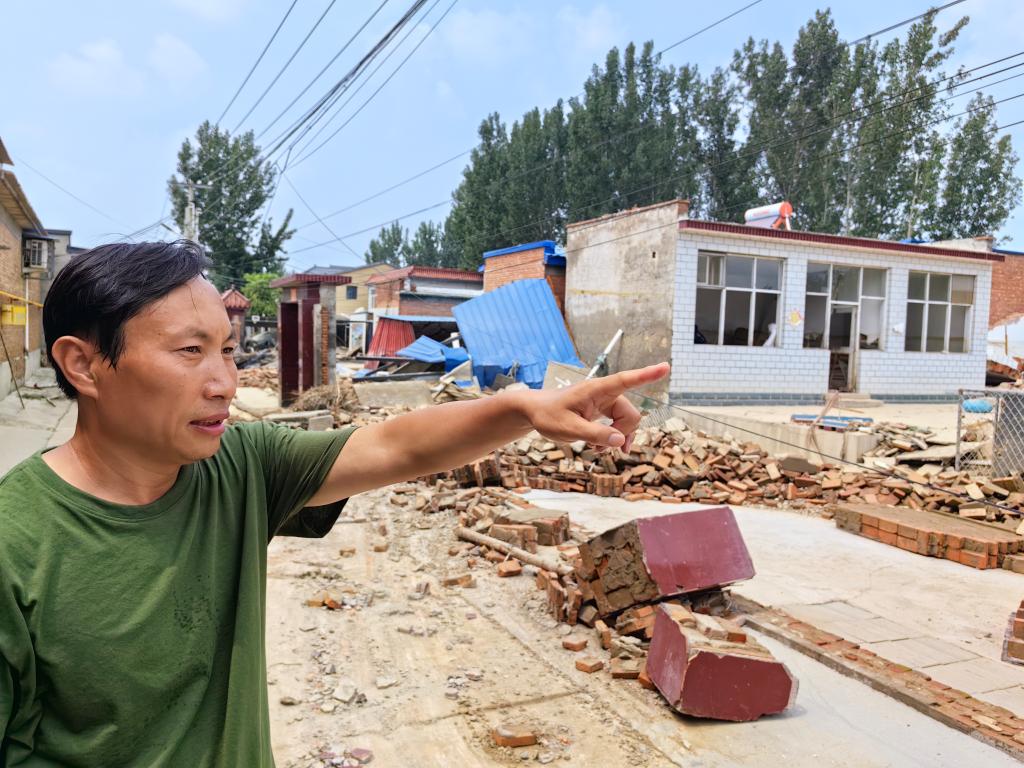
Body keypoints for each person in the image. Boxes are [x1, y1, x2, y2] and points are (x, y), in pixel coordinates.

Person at [0, 240, 668, 767]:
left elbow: (396, 447)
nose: (224, 383)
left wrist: (523, 408)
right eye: (190, 352)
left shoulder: (240, 466)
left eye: (228, 352)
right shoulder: (16, 544)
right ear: (84, 366)